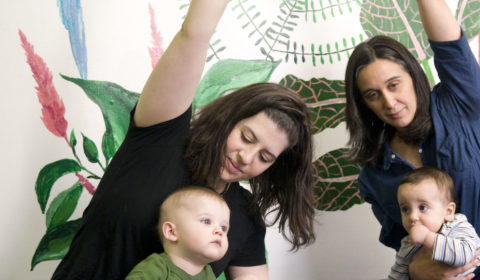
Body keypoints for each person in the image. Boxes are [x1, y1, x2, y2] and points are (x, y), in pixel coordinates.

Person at [52, 0, 315, 279]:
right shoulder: (161, 136)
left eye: (265, 157)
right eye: (246, 137)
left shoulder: (243, 215)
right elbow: (194, 35)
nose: (246, 157)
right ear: (228, 119)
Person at [344, 0, 480, 279]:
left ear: (413, 75)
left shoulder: (457, 104)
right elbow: (407, 251)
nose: (389, 101)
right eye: (373, 94)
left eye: (394, 85)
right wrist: (418, 271)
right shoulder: (374, 176)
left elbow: (450, 47)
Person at [388, 167, 480, 280]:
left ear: (448, 211)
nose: (412, 216)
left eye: (423, 207)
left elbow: (465, 256)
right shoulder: (408, 244)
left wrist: (427, 237)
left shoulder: (457, 225)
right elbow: (396, 276)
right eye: (405, 209)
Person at [126, 185, 229, 280]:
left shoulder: (208, 274)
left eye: (224, 228)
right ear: (171, 232)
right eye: (206, 221)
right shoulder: (156, 268)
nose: (219, 231)